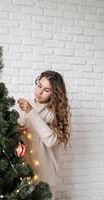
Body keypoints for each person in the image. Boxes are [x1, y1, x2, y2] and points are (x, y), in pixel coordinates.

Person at [15, 70, 70, 200]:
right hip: (22, 176)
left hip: (45, 178)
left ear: (55, 93)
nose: (39, 92)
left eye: (46, 90)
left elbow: (50, 140)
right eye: (39, 85)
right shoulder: (23, 108)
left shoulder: (57, 113)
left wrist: (30, 111)